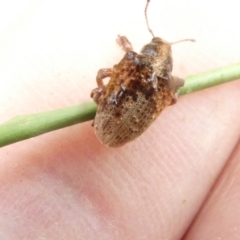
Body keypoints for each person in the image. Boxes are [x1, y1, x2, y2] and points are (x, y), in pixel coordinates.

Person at [0, 0, 240, 239]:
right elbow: (172, 99)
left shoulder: (132, 61)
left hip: (110, 117)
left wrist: (103, 93)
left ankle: (102, 104)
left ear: (148, 50)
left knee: (103, 86)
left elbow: (101, 75)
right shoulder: (168, 86)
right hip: (125, 128)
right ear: (168, 63)